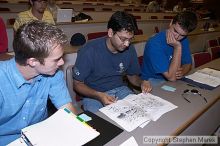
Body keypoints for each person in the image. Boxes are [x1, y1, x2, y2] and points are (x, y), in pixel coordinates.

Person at [0, 20, 76, 145]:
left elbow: (67, 109)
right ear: (33, 61)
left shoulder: (53, 73)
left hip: (40, 136)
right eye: (56, 59)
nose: (62, 62)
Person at [72, 11, 152, 113]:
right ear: (110, 33)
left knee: (141, 113)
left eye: (130, 39)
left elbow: (132, 76)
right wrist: (98, 95)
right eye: (123, 39)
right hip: (94, 94)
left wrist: (142, 82)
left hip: (120, 90)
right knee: (103, 124)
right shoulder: (89, 50)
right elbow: (77, 84)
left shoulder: (129, 49)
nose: (127, 44)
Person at [141, 11, 198, 87]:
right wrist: (178, 47)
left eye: (182, 35)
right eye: (175, 31)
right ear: (171, 23)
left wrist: (182, 71)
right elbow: (172, 78)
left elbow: (188, 63)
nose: (177, 37)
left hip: (171, 78)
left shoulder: (184, 39)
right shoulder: (154, 43)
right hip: (151, 81)